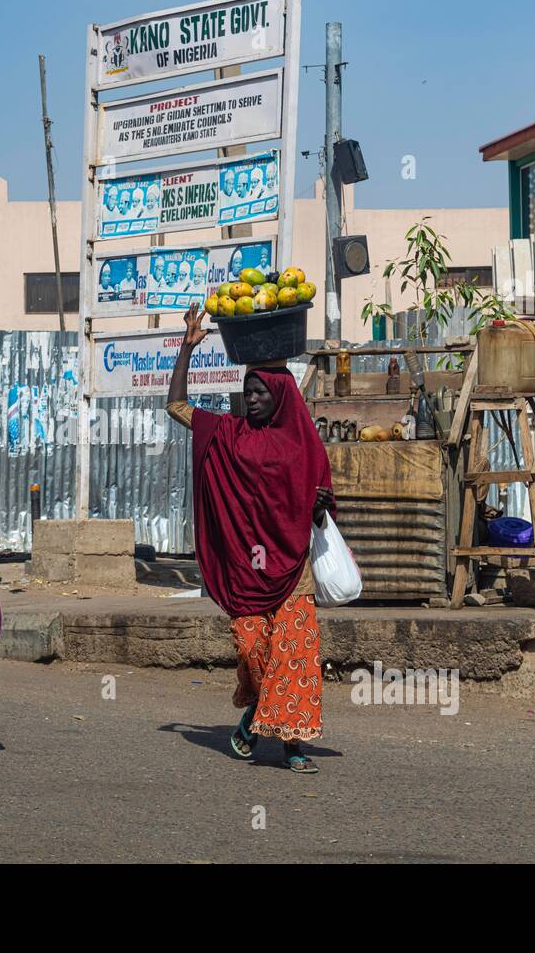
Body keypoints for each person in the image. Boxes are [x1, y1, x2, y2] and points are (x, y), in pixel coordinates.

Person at [166, 303, 335, 774]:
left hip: (293, 569)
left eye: (260, 392)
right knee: (252, 650)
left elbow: (322, 497)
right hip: (247, 569)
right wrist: (187, 349)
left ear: (280, 395)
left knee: (295, 658)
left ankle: (293, 746)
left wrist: (319, 505)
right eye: (248, 391)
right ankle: (255, 717)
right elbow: (177, 406)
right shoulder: (229, 434)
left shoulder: (305, 443)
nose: (253, 399)